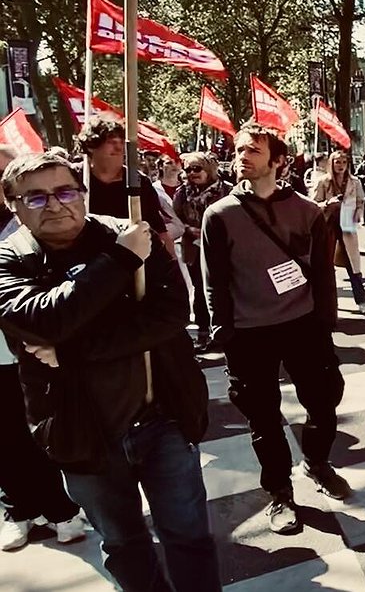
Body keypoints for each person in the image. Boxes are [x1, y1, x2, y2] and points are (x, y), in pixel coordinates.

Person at [0, 152, 217, 589]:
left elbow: (171, 314)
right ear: (12, 204)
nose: (56, 204)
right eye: (36, 197)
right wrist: (118, 263)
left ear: (81, 193)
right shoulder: (12, 259)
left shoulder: (129, 233)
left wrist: (72, 350)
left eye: (65, 191)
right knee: (123, 544)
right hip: (83, 435)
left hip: (163, 419)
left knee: (189, 536)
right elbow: (40, 322)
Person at [202, 123, 348, 535]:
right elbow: (214, 279)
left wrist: (325, 321)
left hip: (303, 325)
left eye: (252, 150)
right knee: (263, 418)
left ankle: (317, 462)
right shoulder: (221, 214)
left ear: (278, 161)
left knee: (324, 400)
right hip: (249, 333)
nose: (242, 156)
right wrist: (222, 328)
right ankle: (280, 491)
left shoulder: (305, 210)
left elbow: (322, 271)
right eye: (238, 149)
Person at [0, 148, 87, 552]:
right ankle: (18, 509)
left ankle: (61, 509)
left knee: (47, 428)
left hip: (36, 349)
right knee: (5, 437)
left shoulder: (32, 227)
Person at [76, 117, 171, 251]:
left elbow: (158, 229)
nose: (119, 147)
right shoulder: (73, 178)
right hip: (87, 259)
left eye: (121, 142)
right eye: (111, 142)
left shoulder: (138, 181)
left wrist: (173, 265)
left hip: (134, 258)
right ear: (91, 146)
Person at [173, 151, 231, 351]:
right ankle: (204, 333)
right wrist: (188, 229)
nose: (192, 173)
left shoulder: (226, 190)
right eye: (188, 169)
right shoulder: (182, 193)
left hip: (222, 248)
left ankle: (226, 330)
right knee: (200, 290)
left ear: (209, 169)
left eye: (197, 168)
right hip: (194, 249)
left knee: (225, 288)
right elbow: (174, 217)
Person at [312, 149, 365, 314]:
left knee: (354, 267)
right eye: (337, 162)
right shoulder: (323, 181)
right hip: (328, 226)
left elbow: (361, 201)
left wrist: (359, 214)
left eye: (344, 162)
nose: (341, 166)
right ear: (331, 163)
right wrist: (327, 203)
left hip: (347, 226)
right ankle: (328, 304)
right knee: (325, 266)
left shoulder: (355, 182)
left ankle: (362, 302)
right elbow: (313, 204)